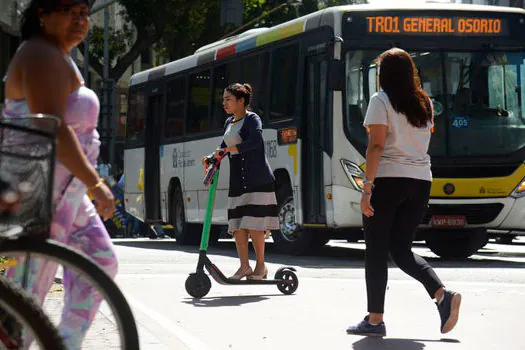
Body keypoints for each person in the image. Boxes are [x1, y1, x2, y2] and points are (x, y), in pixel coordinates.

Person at [2, 0, 118, 347]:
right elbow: (53, 127)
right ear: (43, 15)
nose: (80, 19)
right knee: (25, 298)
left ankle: (63, 344)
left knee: (100, 261)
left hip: (65, 194)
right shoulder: (39, 53)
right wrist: (95, 183)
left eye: (84, 12)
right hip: (38, 192)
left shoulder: (56, 55)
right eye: (70, 11)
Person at [346, 48, 461, 337]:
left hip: (389, 180)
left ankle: (374, 320)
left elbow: (376, 146)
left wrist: (367, 187)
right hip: (421, 181)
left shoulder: (380, 101)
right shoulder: (425, 103)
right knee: (400, 250)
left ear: (383, 74)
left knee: (375, 250)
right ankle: (442, 295)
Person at [202, 83, 279, 280]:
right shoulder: (229, 122)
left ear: (241, 101)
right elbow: (223, 147)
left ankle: (260, 267)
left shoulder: (252, 119)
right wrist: (211, 157)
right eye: (224, 99)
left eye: (228, 99)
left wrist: (228, 151)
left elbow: (255, 142)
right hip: (238, 182)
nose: (224, 103)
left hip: (257, 179)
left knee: (255, 225)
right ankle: (244, 266)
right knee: (237, 227)